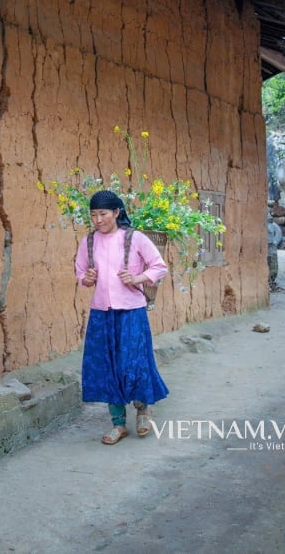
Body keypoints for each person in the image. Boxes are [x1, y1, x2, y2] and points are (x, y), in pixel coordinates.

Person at [75, 190, 170, 445]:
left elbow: (160, 266)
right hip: (101, 313)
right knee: (106, 367)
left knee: (134, 362)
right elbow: (81, 271)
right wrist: (86, 279)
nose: (98, 220)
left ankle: (143, 410)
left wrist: (137, 278)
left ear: (117, 212)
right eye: (93, 215)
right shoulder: (89, 242)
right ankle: (118, 424)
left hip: (131, 311)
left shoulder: (134, 238)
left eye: (103, 214)